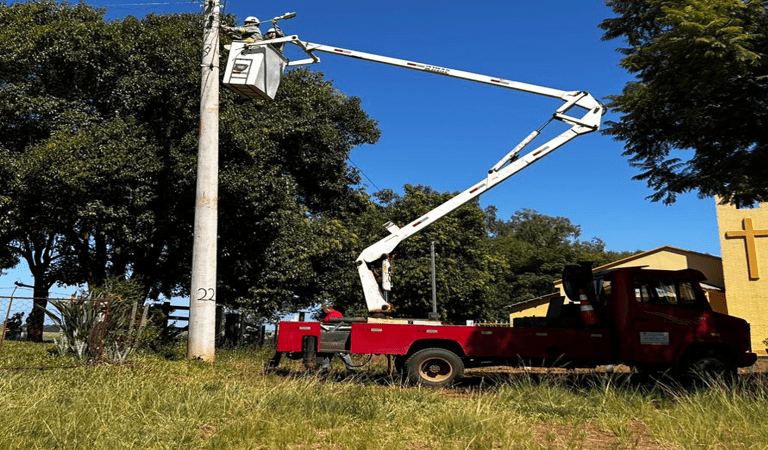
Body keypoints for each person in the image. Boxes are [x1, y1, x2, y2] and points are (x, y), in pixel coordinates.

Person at [319, 303, 355, 372]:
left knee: (341, 353)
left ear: (327, 309)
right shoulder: (337, 313)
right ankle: (325, 368)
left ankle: (351, 368)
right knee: (329, 352)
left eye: (324, 310)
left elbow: (326, 320)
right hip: (336, 336)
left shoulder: (334, 314)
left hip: (337, 336)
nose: (324, 311)